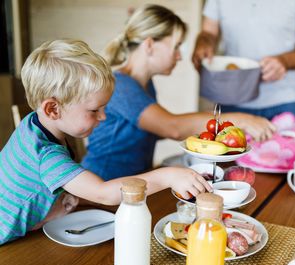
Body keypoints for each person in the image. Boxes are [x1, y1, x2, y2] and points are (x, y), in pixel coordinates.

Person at [0, 39, 211, 245]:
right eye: (94, 110)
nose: (103, 116)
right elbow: (104, 194)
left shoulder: (33, 125)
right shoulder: (46, 156)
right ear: (53, 109)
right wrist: (168, 176)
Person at [81, 4, 276, 181]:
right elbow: (171, 127)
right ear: (149, 45)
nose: (180, 55)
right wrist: (241, 119)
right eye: (176, 46)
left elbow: (159, 127)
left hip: (130, 184)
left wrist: (209, 122)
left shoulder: (145, 85)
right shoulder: (121, 86)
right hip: (102, 187)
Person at [192, 0, 295, 120]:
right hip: (230, 97)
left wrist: (285, 61)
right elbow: (208, 32)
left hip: (282, 100)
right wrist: (204, 43)